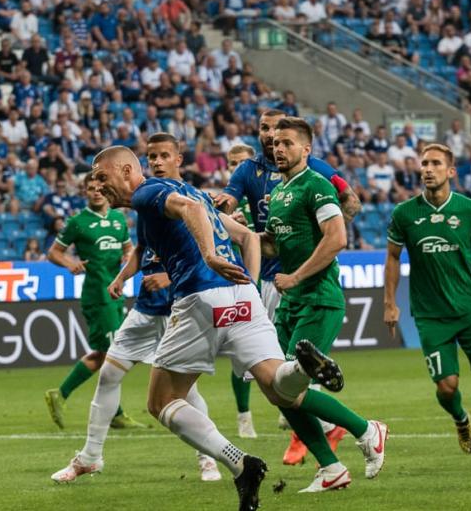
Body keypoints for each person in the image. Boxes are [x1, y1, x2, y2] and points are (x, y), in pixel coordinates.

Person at [90, 144, 386, 507]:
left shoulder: (149, 192)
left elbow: (193, 210)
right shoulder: (184, 190)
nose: (98, 186)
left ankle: (238, 462)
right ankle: (303, 368)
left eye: (102, 177)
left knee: (161, 401)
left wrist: (211, 255)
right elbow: (248, 237)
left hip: (200, 299)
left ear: (125, 171)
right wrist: (250, 283)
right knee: (281, 389)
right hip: (243, 296)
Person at [51, 134, 221, 484]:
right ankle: (90, 457)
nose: (157, 162)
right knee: (109, 373)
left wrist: (169, 281)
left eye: (163, 156)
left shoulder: (183, 199)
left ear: (179, 159)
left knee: (187, 392)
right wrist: (122, 275)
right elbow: (142, 248)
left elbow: (200, 255)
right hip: (146, 309)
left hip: (178, 308)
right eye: (152, 156)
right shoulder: (148, 200)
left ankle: (209, 460)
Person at [213, 109, 361, 465]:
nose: (272, 140)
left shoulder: (317, 175)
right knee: (270, 377)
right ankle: (329, 446)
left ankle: (350, 431)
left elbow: (348, 208)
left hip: (304, 285)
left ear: (304, 147)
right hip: (268, 280)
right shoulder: (258, 177)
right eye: (267, 133)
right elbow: (250, 221)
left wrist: (315, 246)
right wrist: (222, 218)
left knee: (288, 379)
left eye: (281, 137)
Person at [258, 117, 390, 491]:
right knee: (275, 389)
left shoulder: (316, 185)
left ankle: (367, 429)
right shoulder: (280, 193)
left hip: (318, 299)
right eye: (275, 142)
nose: (278, 148)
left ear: (306, 149)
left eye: (287, 142)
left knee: (288, 387)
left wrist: (297, 276)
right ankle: (331, 468)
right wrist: (240, 234)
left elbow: (336, 238)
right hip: (291, 303)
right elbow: (274, 244)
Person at [383, 142, 471, 456]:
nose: (427, 169)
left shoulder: (470, 209)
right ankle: (461, 420)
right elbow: (392, 258)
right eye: (424, 164)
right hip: (430, 315)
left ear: (451, 171)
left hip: (468, 309)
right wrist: (389, 302)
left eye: (435, 164)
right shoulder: (405, 213)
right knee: (447, 387)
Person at [44, 175, 143, 430]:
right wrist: (70, 264)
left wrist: (127, 256)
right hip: (97, 296)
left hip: (116, 293)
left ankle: (67, 397)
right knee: (112, 355)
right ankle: (110, 412)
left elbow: (129, 249)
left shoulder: (119, 218)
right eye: (91, 189)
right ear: (85, 192)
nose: (96, 192)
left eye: (100, 188)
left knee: (106, 354)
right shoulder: (78, 222)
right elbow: (54, 252)